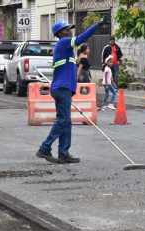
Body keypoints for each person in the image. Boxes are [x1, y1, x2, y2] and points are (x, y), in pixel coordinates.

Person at [36, 17, 109, 164]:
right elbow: (81, 38)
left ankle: (63, 153)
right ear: (60, 33)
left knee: (66, 122)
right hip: (62, 88)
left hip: (63, 88)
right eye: (67, 29)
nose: (70, 31)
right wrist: (97, 25)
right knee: (63, 121)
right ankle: (45, 148)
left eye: (70, 29)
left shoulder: (66, 49)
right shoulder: (64, 42)